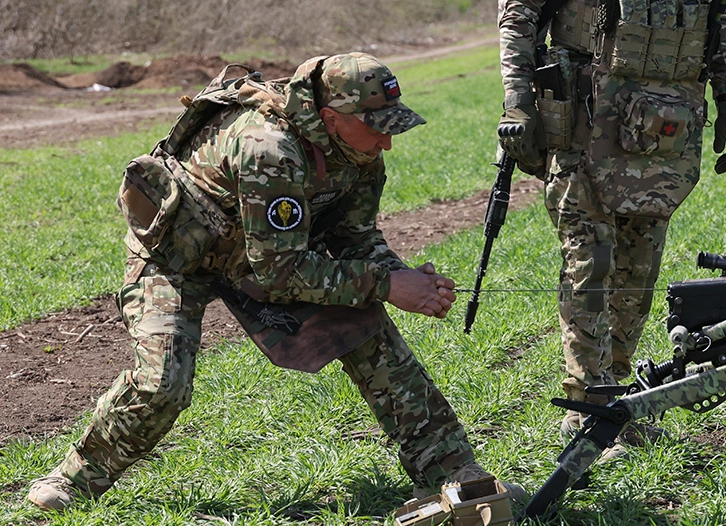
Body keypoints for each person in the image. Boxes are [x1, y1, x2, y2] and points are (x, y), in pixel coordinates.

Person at [27, 53, 521, 510]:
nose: (386, 140)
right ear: (331, 118)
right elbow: (283, 274)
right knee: (164, 382)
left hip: (258, 258)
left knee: (368, 332)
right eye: (375, 128)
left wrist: (399, 275)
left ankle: (452, 469)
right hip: (179, 257)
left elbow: (355, 239)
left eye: (391, 128)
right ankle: (74, 479)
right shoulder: (270, 149)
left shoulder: (361, 155)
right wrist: (388, 286)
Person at [496, 0, 726, 447]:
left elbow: (717, 16)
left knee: (638, 266)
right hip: (581, 124)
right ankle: (587, 407)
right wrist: (517, 99)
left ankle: (618, 401)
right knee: (589, 261)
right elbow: (518, 4)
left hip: (662, 130)